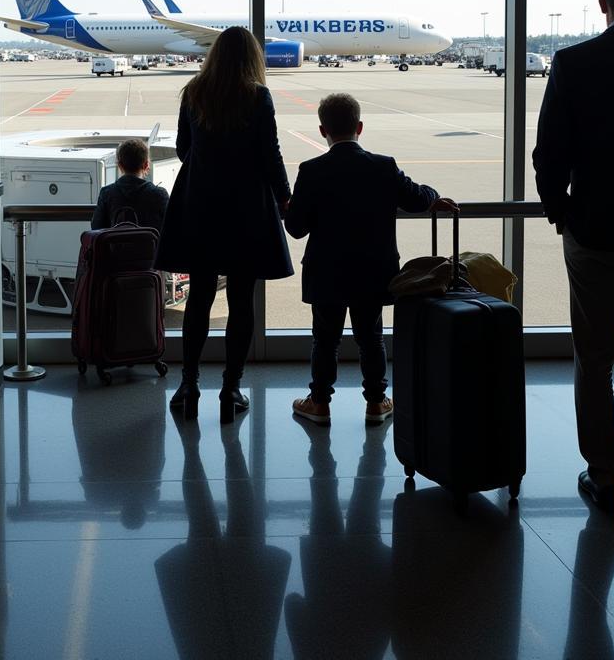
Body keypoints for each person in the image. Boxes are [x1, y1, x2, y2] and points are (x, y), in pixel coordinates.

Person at [534, 0, 614, 510]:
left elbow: (550, 148)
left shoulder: (574, 61)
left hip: (596, 232)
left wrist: (560, 209)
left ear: (603, 4)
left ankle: (603, 474)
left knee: (594, 357)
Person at [285, 92, 454, 426]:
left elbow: (295, 229)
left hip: (327, 271)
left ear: (323, 130)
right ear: (359, 127)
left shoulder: (311, 170)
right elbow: (418, 199)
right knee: (371, 338)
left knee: (325, 340)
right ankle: (376, 402)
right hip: (373, 270)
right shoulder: (383, 166)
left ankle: (319, 403)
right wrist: (434, 195)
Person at [155, 26, 292, 424]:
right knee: (241, 302)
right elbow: (271, 154)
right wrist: (284, 198)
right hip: (247, 209)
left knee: (198, 298)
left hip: (200, 206)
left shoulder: (195, 91)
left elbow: (183, 148)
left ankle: (189, 383)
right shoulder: (257, 96)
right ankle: (231, 388)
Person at [91, 137, 169, 232]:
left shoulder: (107, 193)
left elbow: (96, 227)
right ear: (146, 165)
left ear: (120, 165)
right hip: (148, 246)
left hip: (115, 246)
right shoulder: (159, 194)